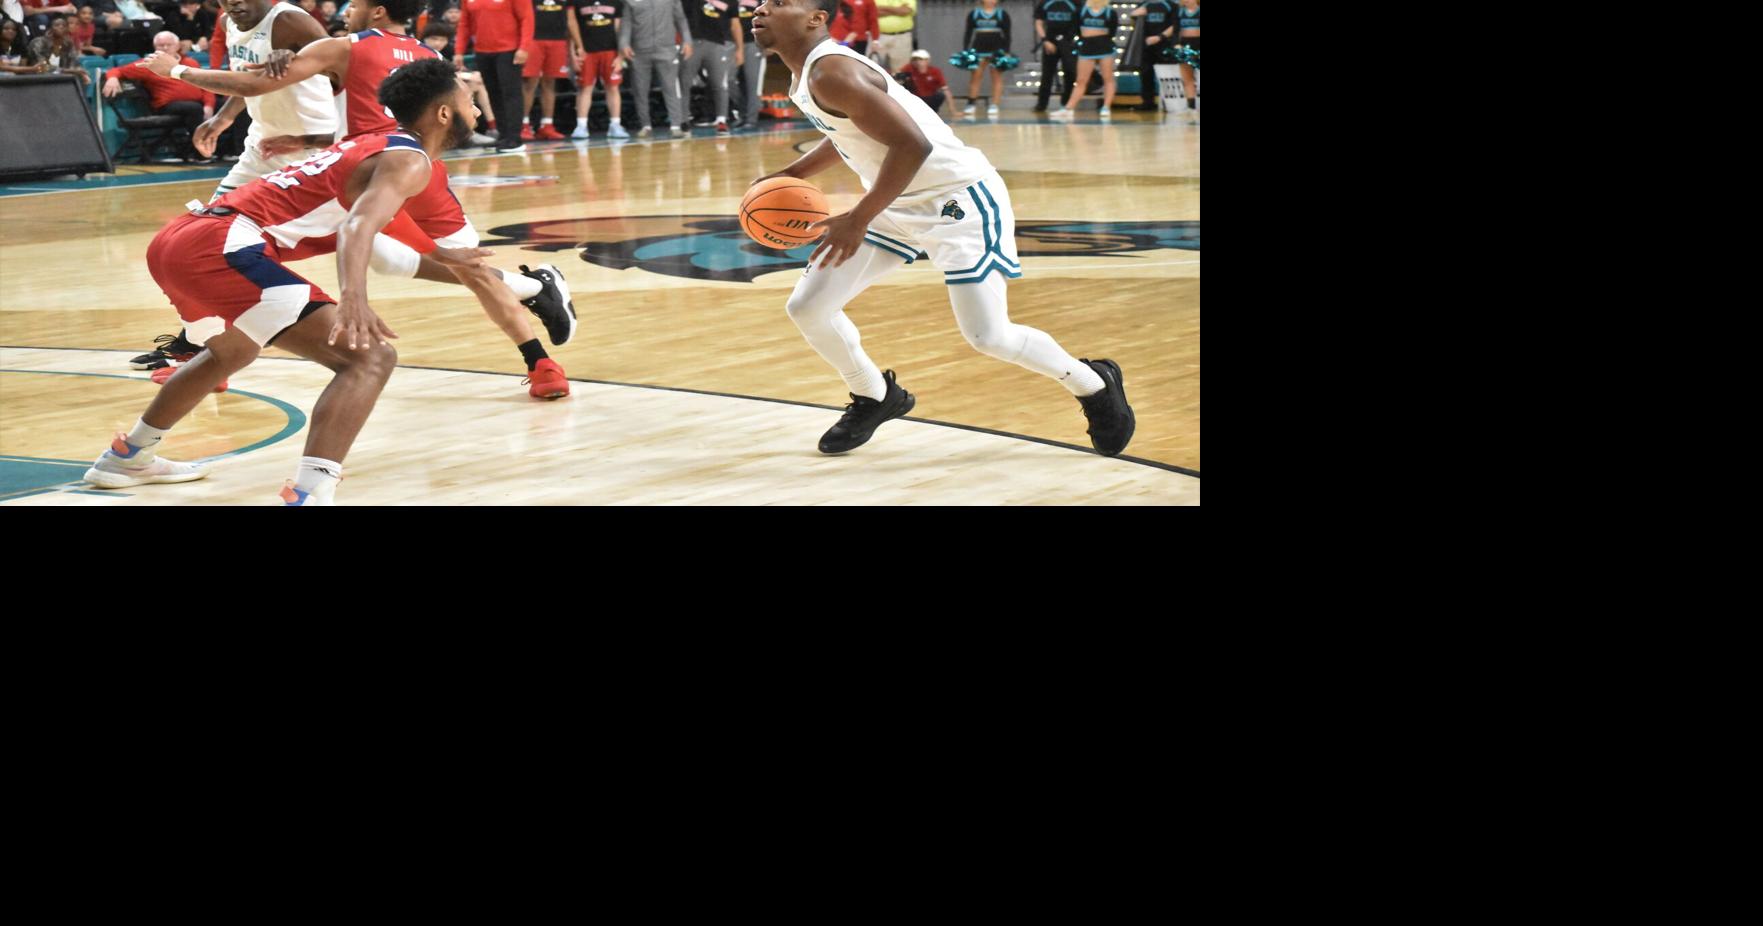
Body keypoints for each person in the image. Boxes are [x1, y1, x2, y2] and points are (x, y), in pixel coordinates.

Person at [82, 58, 497, 505]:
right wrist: (353, 297)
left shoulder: (380, 145)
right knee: (370, 359)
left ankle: (127, 457)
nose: (474, 103)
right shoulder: (408, 161)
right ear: (442, 113)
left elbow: (373, 224)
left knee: (232, 350)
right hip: (221, 243)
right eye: (468, 96)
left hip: (184, 236)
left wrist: (445, 257)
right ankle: (310, 492)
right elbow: (357, 228)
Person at [748, 0, 1134, 456]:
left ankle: (1093, 384)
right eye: (762, 2)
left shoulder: (830, 71)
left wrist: (858, 218)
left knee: (988, 336)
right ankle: (876, 396)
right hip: (895, 198)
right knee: (809, 307)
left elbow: (914, 145)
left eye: (779, 2)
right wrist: (791, 175)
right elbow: (850, 131)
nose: (761, 8)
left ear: (816, 18)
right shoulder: (806, 73)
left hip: (957, 199)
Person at [146, 0, 578, 394]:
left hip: (373, 164)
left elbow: (266, 85)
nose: (346, 10)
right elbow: (415, 116)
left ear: (374, 12)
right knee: (447, 263)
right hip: (384, 160)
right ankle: (540, 351)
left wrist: (179, 71)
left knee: (225, 246)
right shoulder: (432, 56)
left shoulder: (343, 45)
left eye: (354, 4)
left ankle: (535, 308)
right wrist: (301, 130)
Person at [103, 30, 214, 157]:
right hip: (168, 106)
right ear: (155, 48)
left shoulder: (191, 63)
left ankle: (234, 151)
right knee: (193, 109)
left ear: (177, 46)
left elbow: (206, 87)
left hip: (197, 104)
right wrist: (112, 78)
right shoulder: (149, 64)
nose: (165, 48)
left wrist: (209, 105)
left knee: (230, 104)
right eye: (161, 45)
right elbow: (117, 70)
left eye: (169, 44)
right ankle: (200, 153)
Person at [455, 0, 532, 151]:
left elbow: (527, 19)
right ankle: (503, 135)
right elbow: (465, 22)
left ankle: (515, 138)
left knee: (511, 93)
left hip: (509, 50)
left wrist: (524, 48)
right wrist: (459, 50)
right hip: (482, 51)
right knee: (493, 93)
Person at [618, 0, 689, 138]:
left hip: (666, 49)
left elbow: (680, 18)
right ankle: (645, 125)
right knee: (640, 89)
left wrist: (687, 40)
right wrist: (624, 43)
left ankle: (675, 126)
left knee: (671, 88)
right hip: (639, 51)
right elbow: (626, 23)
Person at [564, 0, 626, 138]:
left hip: (610, 50)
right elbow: (572, 27)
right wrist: (572, 53)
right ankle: (581, 126)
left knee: (613, 87)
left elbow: (620, 30)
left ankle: (615, 124)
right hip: (586, 51)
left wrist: (620, 56)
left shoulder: (616, 2)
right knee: (585, 88)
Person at [1048, 0, 1112, 120]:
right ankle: (1068, 108)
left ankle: (1106, 107)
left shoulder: (1109, 12)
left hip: (1104, 47)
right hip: (1087, 47)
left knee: (1108, 78)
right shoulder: (1082, 11)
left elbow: (1112, 30)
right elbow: (1077, 28)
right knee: (1081, 80)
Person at [683, 0, 738, 132]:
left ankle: (721, 120)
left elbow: (735, 24)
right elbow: (679, 17)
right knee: (684, 82)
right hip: (692, 42)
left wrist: (739, 48)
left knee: (720, 84)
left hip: (718, 43)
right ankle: (683, 119)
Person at [519, 0, 569, 139]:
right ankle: (523, 125)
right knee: (530, 83)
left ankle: (547, 125)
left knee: (550, 83)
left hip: (558, 39)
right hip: (534, 39)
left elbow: (570, 18)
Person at [959, 0, 1006, 117]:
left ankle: (995, 104)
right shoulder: (974, 13)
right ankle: (971, 103)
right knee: (975, 76)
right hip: (978, 47)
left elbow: (1007, 34)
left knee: (996, 77)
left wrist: (1006, 51)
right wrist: (966, 49)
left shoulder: (1002, 14)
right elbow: (968, 33)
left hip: (996, 48)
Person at [1031, 0, 1075, 113]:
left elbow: (1079, 22)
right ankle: (1042, 104)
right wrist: (1045, 40)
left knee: (1070, 72)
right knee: (1047, 74)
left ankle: (1066, 103)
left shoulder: (1074, 2)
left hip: (1068, 42)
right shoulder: (1045, 2)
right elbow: (1038, 23)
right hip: (1050, 42)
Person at [25, 13, 89, 84]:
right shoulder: (38, 43)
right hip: (37, 79)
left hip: (61, 80)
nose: (61, 27)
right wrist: (70, 71)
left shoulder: (68, 44)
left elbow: (74, 62)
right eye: (57, 25)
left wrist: (81, 72)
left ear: (67, 29)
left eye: (64, 25)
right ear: (50, 29)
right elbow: (42, 68)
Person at [891, 46, 943, 117]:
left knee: (940, 95)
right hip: (915, 97)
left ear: (927, 61)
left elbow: (945, 89)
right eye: (915, 60)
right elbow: (896, 74)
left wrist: (954, 111)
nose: (918, 62)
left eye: (921, 59)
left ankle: (932, 112)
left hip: (929, 98)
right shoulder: (909, 67)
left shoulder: (935, 71)